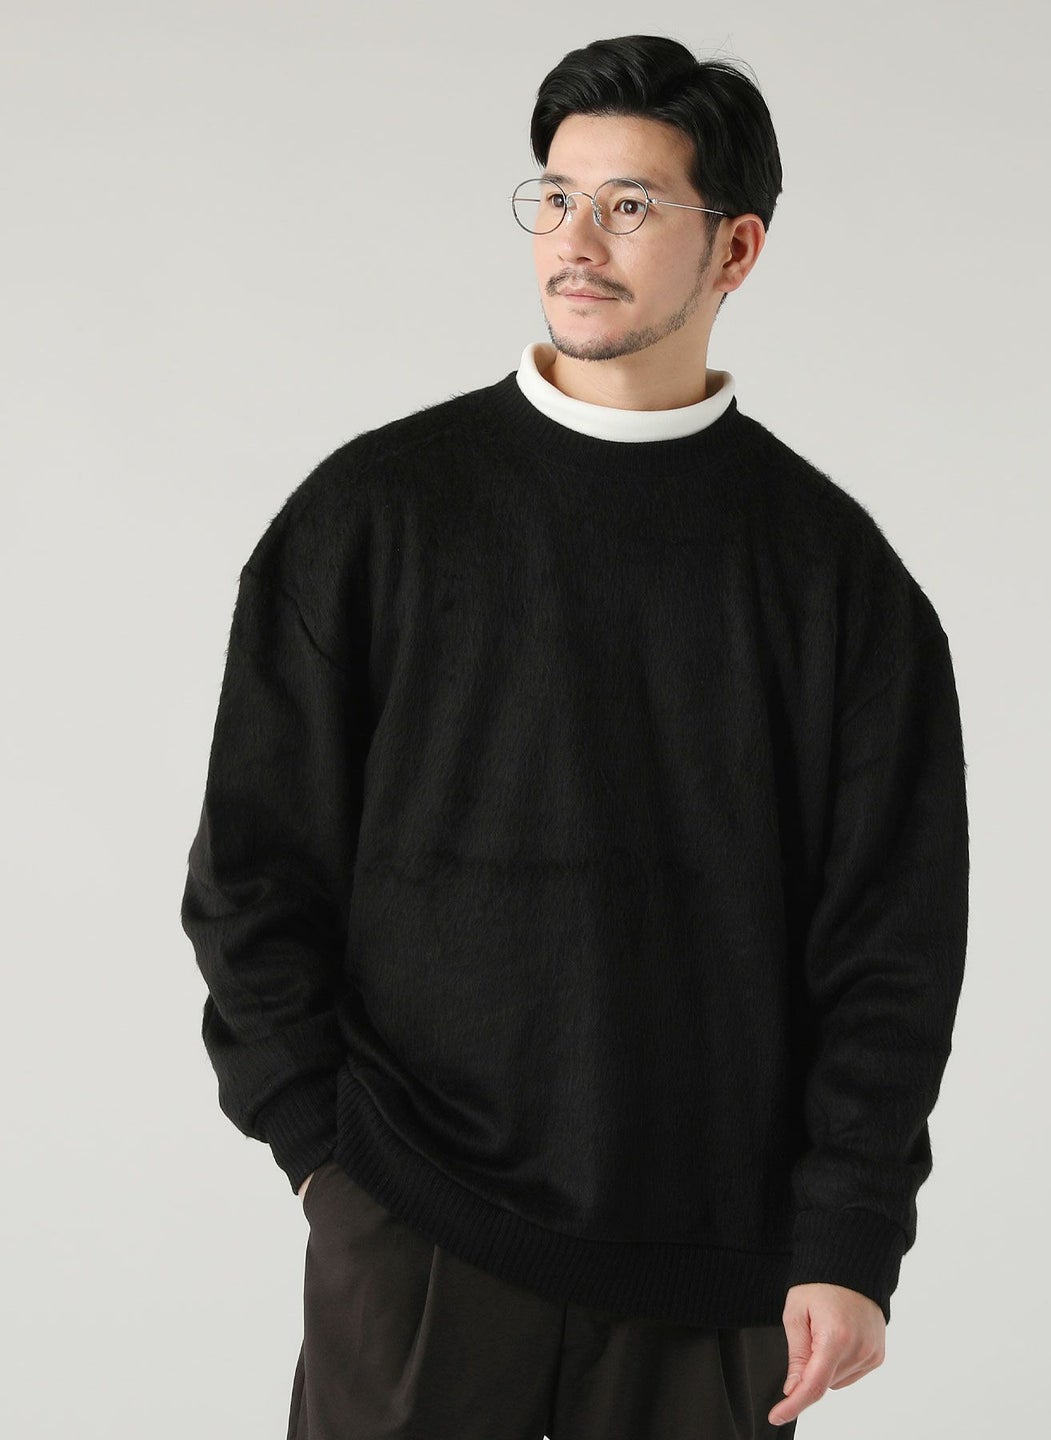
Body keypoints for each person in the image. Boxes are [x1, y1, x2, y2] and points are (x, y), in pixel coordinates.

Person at [181, 32, 969, 1440]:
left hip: (715, 1259)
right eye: (554, 196)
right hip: (413, 1219)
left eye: (630, 205)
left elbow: (890, 945)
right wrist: (323, 1152)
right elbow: (253, 869)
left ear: (736, 251)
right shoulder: (373, 516)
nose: (575, 240)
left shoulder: (834, 579)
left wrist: (850, 1234)